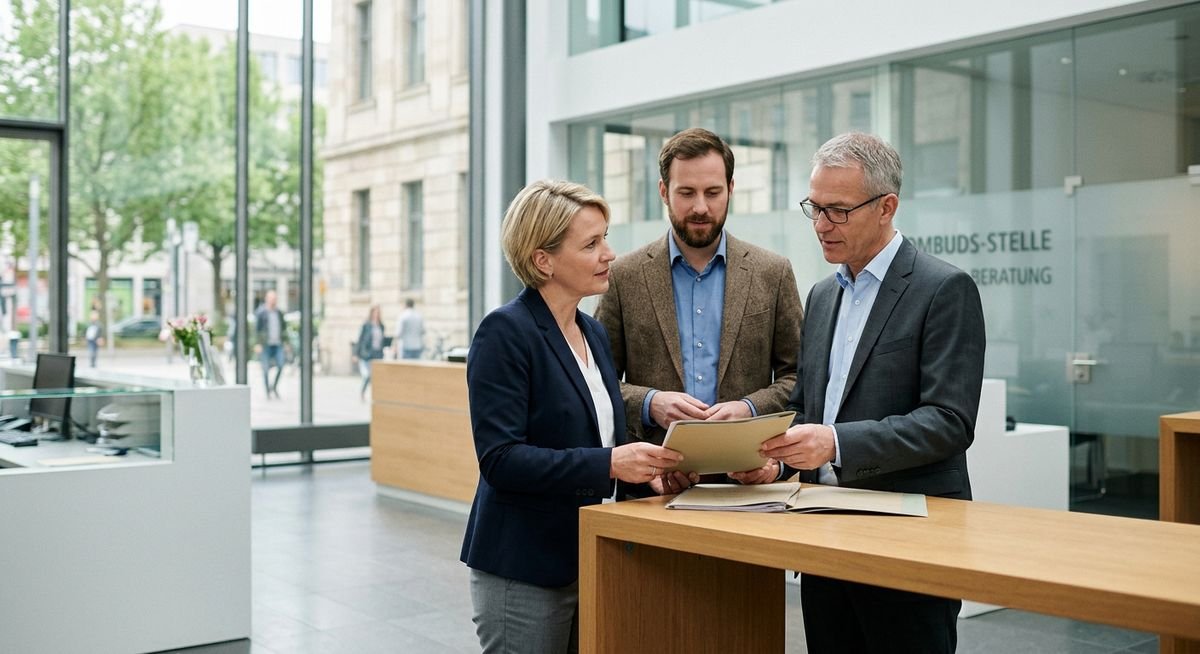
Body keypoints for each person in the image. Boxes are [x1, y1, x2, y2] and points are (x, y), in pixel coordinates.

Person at [759, 132, 986, 654]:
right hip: (824, 536)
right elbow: (811, 408)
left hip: (907, 541)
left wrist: (835, 444)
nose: (820, 225)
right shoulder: (821, 296)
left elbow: (950, 421)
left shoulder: (944, 289)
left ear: (887, 206)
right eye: (814, 208)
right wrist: (774, 461)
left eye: (837, 211)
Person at [461, 180, 683, 653]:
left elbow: (600, 438)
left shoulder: (592, 332)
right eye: (591, 243)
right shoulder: (505, 332)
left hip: (590, 553)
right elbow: (501, 459)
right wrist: (611, 465)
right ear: (544, 260)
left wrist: (645, 479)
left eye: (605, 237)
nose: (610, 254)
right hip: (525, 565)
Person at [593, 127, 803, 494]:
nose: (701, 207)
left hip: (750, 484)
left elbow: (799, 375)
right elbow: (597, 380)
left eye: (713, 192)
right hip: (651, 486)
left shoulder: (773, 272)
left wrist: (749, 408)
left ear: (731, 190)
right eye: (686, 193)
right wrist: (650, 402)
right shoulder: (624, 276)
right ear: (663, 192)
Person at [254, 290, 286, 399]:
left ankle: (274, 387)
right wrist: (257, 343)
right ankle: (268, 391)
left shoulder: (279, 313)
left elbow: (284, 329)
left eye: (275, 298)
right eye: (271, 298)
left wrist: (286, 343)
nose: (273, 301)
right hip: (265, 344)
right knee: (266, 369)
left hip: (278, 344)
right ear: (267, 299)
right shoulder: (261, 312)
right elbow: (256, 329)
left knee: (281, 365)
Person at [354, 305, 386, 398]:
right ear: (371, 313)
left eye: (378, 313)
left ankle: (375, 395)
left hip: (377, 354)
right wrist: (356, 354)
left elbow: (382, 341)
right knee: (367, 375)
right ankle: (363, 393)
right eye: (375, 312)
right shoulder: (366, 325)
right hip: (367, 354)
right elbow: (360, 339)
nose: (377, 314)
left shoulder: (381, 326)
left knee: (376, 377)